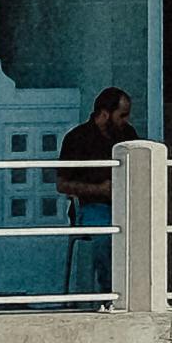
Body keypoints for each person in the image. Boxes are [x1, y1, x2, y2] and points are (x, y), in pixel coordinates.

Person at [56, 89, 140, 291]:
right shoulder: (76, 138)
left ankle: (140, 292)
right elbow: (62, 184)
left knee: (148, 230)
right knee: (107, 235)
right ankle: (110, 294)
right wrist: (98, 189)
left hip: (127, 205)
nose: (126, 120)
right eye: (122, 115)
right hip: (91, 207)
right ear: (104, 114)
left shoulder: (128, 135)